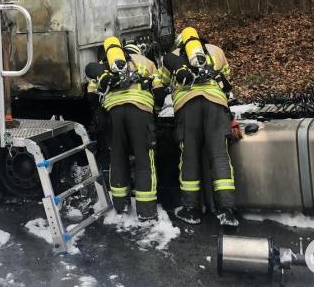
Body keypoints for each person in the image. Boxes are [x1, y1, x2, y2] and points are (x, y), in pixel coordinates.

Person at [154, 27, 239, 226]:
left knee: (189, 157)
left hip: (187, 107)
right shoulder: (217, 51)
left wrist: (161, 101)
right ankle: (227, 211)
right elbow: (227, 83)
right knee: (220, 157)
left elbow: (158, 83)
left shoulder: (173, 56)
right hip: (216, 105)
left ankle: (191, 209)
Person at [85, 37, 159, 221]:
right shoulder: (146, 62)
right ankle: (146, 211)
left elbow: (91, 96)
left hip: (113, 115)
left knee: (117, 159)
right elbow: (159, 89)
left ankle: (121, 206)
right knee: (144, 161)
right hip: (140, 112)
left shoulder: (103, 65)